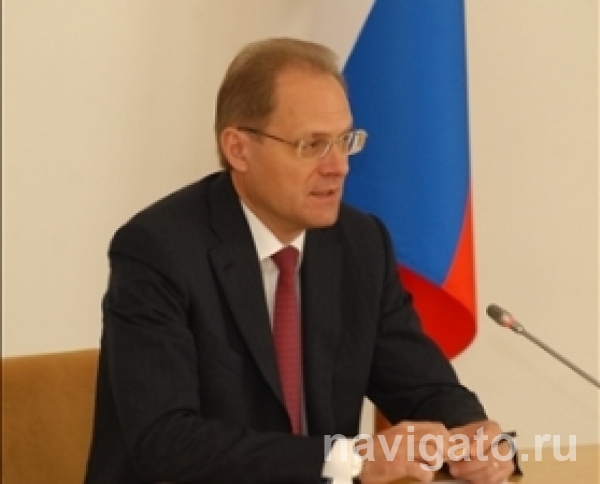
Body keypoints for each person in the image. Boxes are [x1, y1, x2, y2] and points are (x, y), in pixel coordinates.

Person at [84, 38, 515, 484]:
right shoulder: (158, 250)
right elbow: (167, 443)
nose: (339, 166)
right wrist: (352, 458)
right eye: (313, 145)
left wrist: (475, 437)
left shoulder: (361, 244)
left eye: (344, 141)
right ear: (238, 149)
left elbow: (423, 387)